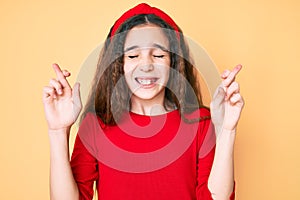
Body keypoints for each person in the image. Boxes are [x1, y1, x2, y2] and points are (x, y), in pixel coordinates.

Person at [42, 3, 244, 200]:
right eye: (132, 55)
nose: (146, 65)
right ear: (118, 65)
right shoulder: (96, 125)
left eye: (158, 55)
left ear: (173, 62)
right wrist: (58, 131)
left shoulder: (200, 123)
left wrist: (226, 130)